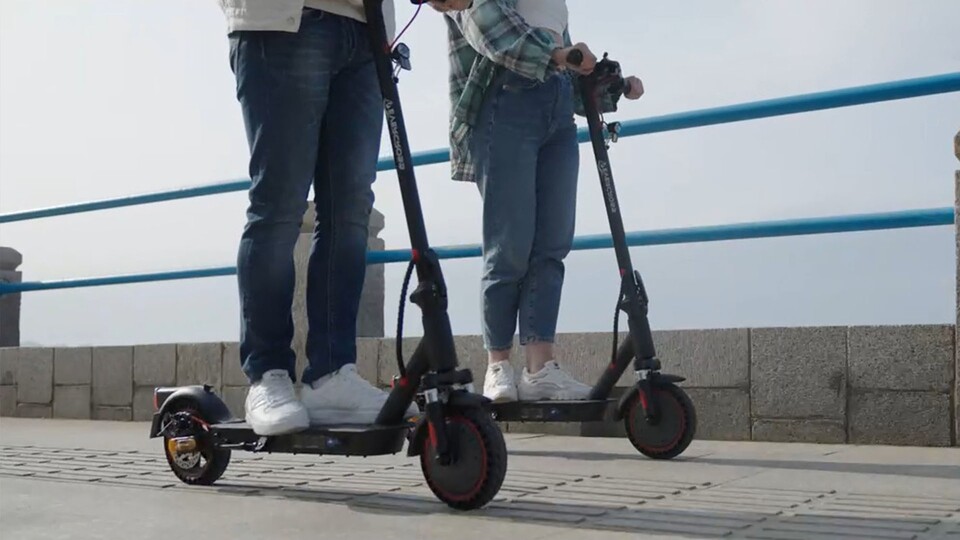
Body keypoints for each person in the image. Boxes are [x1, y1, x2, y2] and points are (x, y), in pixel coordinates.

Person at [428, 0, 644, 402]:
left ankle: (540, 367)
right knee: (508, 244)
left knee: (552, 243)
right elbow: (490, 28)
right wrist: (559, 55)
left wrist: (610, 86)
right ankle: (498, 365)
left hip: (557, 110)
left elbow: (565, 60)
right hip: (505, 103)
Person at [218, 0, 416, 436]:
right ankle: (268, 375)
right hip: (286, 19)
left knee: (350, 213)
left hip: (366, 30)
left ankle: (331, 374)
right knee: (279, 207)